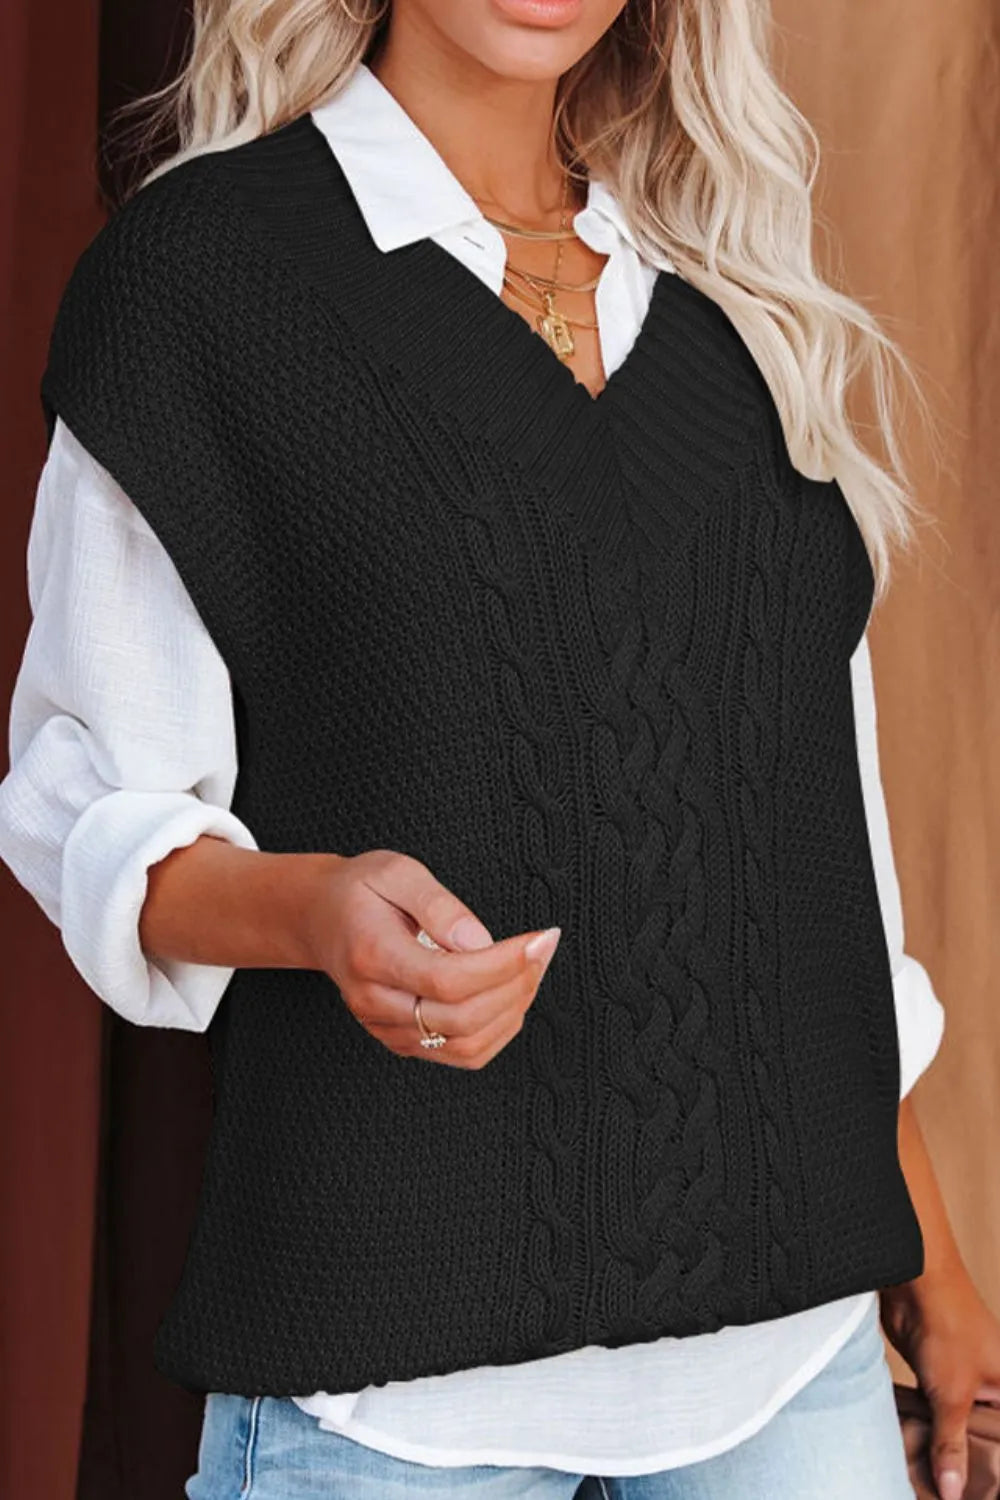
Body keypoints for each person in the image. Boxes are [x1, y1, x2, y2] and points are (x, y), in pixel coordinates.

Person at [2, 1, 999, 1496]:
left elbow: (817, 858)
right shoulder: (204, 280)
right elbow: (84, 801)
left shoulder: (733, 288)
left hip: (795, 1376)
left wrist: (934, 1261)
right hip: (395, 1406)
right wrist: (316, 909)